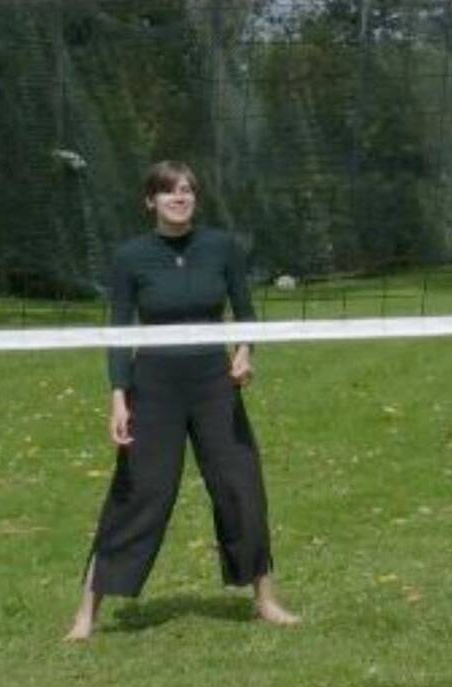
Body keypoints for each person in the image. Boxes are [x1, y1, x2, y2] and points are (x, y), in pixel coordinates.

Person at [66, 161, 297, 642]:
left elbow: (247, 314)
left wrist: (244, 352)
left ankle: (266, 599)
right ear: (150, 200)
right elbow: (118, 333)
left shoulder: (221, 248)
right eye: (169, 191)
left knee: (241, 487)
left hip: (214, 385)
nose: (180, 198)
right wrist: (118, 399)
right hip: (153, 387)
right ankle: (86, 615)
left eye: (188, 190)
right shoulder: (131, 257)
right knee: (140, 494)